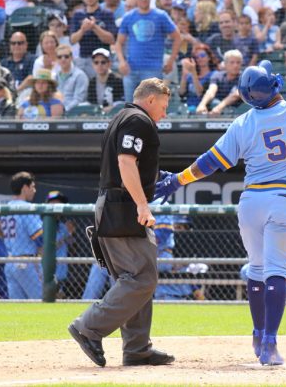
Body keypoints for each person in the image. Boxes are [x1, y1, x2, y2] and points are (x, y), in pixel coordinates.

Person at [153, 0, 286, 365]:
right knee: (276, 273)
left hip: (251, 201)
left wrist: (177, 180)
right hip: (284, 199)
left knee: (255, 270)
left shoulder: (243, 121)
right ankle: (269, 343)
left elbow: (210, 163)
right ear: (274, 85)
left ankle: (258, 336)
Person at [68, 78, 174, 368]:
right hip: (123, 207)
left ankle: (137, 349)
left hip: (114, 204)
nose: (165, 113)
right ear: (151, 100)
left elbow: (132, 162)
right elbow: (126, 162)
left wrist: (154, 176)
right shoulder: (139, 120)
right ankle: (88, 327)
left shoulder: (122, 116)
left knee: (137, 277)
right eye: (164, 106)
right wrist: (142, 204)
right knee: (141, 278)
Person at [116, 0, 181, 102]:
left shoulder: (160, 16)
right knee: (130, 106)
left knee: (151, 106)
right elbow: (118, 43)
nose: (144, 0)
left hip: (153, 69)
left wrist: (170, 61)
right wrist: (122, 62)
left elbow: (177, 37)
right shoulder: (128, 17)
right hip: (131, 69)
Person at [2, 172, 43, 300]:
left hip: (10, 263)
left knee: (18, 308)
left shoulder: (5, 208)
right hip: (27, 262)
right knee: (42, 303)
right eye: (32, 187)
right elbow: (40, 238)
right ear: (25, 188)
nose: (34, 190)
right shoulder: (28, 208)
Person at [70, 0, 117, 78]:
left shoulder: (106, 13)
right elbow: (72, 40)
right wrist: (82, 30)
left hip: (102, 60)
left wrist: (95, 27)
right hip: (84, 58)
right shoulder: (78, 14)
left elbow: (112, 39)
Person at [45, 190, 74, 299]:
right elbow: (48, 248)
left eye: (60, 202)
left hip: (62, 273)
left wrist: (70, 234)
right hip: (48, 272)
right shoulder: (42, 223)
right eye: (54, 202)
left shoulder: (62, 225)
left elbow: (71, 244)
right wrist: (67, 235)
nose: (58, 205)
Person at [195, 49, 242, 116]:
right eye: (232, 62)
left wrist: (219, 108)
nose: (235, 65)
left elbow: (235, 95)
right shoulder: (217, 76)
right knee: (214, 102)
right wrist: (202, 105)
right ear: (225, 64)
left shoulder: (244, 78)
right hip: (217, 111)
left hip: (237, 114)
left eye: (238, 62)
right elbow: (211, 91)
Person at [178, 44, 216, 114]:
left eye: (202, 55)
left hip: (203, 110)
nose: (200, 58)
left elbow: (199, 93)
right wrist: (184, 73)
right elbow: (181, 92)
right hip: (187, 109)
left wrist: (193, 72)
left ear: (209, 57)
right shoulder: (190, 75)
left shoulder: (214, 74)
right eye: (197, 57)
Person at [87, 48, 124, 113]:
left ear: (109, 63)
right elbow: (90, 102)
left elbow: (121, 102)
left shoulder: (117, 80)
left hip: (113, 114)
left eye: (103, 62)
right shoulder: (92, 81)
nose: (99, 65)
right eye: (96, 62)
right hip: (95, 115)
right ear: (93, 65)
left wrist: (112, 108)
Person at [54, 44, 89, 111]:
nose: (63, 59)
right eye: (59, 57)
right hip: (57, 112)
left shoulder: (80, 75)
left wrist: (64, 110)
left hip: (74, 114)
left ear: (71, 57)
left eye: (66, 56)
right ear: (56, 59)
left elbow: (79, 99)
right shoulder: (55, 77)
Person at [0, 32, 35, 97]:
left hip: (26, 94)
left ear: (26, 45)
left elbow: (31, 78)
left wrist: (15, 92)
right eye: (13, 43)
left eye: (20, 43)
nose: (16, 46)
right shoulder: (4, 63)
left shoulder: (33, 59)